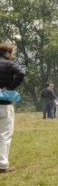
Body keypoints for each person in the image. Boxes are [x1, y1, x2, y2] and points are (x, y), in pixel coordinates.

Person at [0, 43, 26, 173]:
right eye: (12, 53)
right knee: (4, 134)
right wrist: (10, 87)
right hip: (4, 104)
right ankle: (2, 164)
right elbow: (21, 72)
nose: (12, 56)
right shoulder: (9, 64)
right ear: (7, 53)